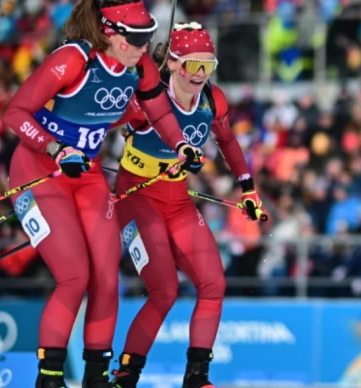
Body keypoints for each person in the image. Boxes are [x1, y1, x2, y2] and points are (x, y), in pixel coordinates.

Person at [2, 0, 203, 388]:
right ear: (110, 34)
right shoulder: (72, 60)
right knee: (74, 276)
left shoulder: (138, 66)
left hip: (88, 175)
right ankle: (50, 378)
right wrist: (56, 148)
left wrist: (181, 144)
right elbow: (15, 112)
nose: (145, 49)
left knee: (106, 277)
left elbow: (159, 111)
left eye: (148, 38)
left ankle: (96, 377)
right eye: (137, 39)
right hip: (39, 170)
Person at [110, 22, 266, 388]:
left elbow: (229, 144)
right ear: (174, 64)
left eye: (207, 66)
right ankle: (126, 374)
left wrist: (248, 189)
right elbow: (100, 119)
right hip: (137, 196)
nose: (199, 75)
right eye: (192, 65)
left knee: (214, 284)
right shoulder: (147, 97)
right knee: (164, 289)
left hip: (177, 200)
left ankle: (197, 376)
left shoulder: (213, 101)